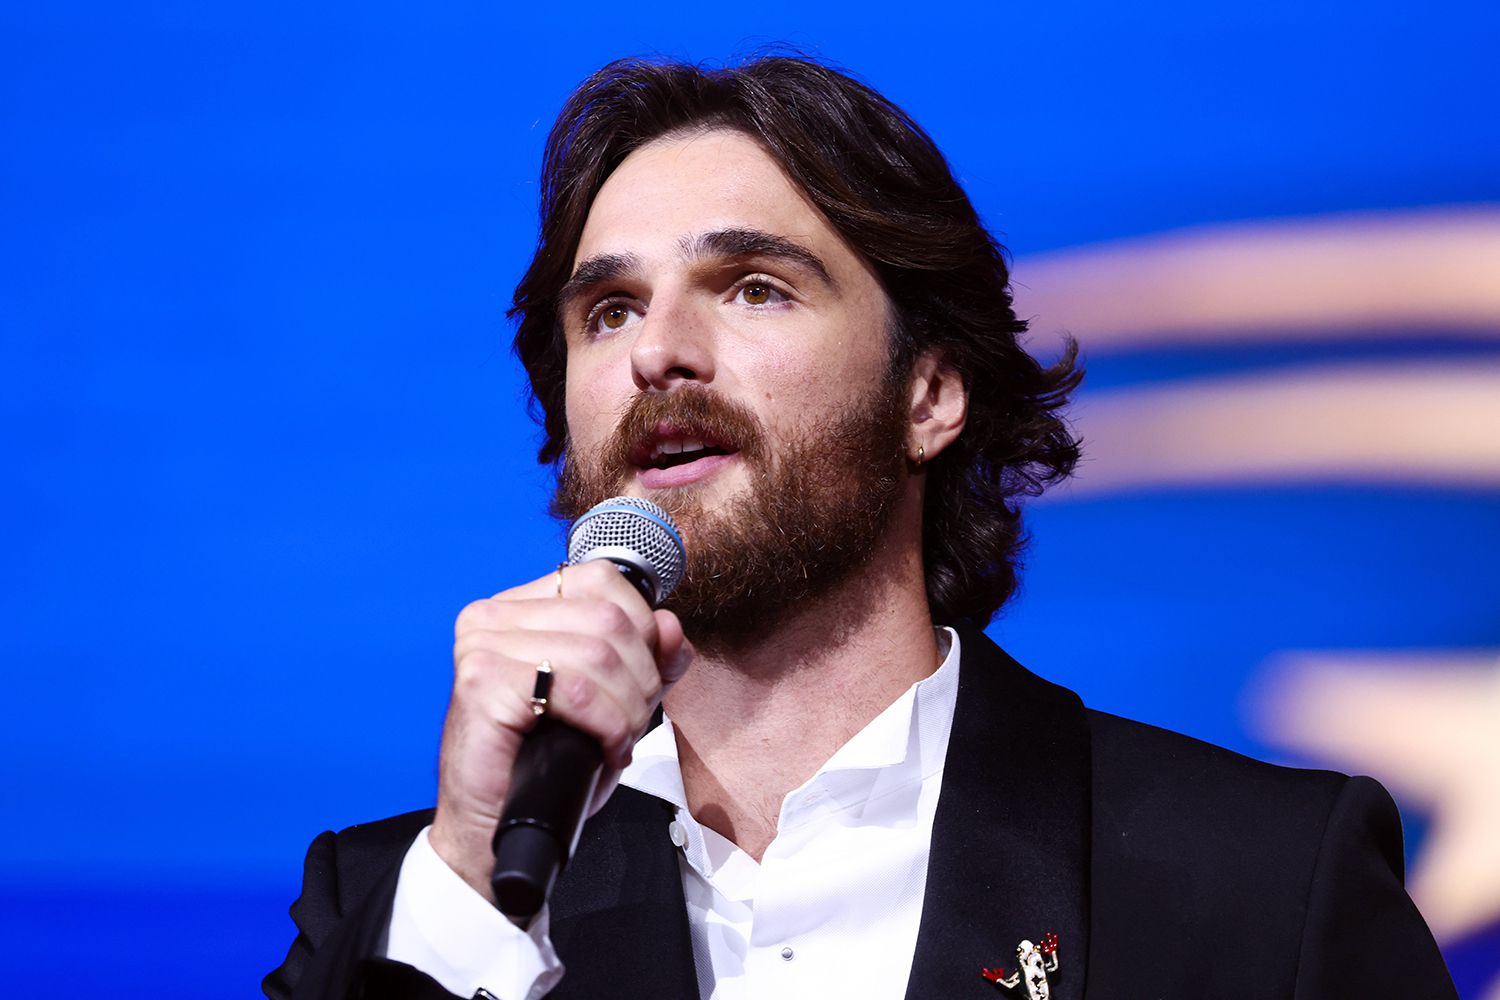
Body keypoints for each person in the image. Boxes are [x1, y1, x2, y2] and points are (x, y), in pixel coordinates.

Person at [265, 55, 1456, 1000]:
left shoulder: (1257, 884)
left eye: (752, 287)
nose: (658, 353)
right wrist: (477, 873)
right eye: (609, 309)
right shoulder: (397, 908)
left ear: (929, 395)